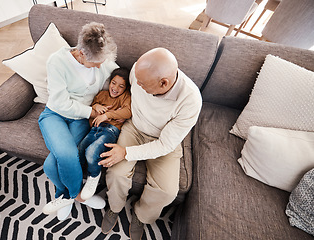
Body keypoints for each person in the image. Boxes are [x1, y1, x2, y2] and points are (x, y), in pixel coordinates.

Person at [99, 48, 202, 239]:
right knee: (116, 172)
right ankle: (114, 207)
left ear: (164, 83)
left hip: (163, 140)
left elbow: (165, 145)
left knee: (167, 191)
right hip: (134, 128)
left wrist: (126, 153)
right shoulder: (138, 72)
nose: (137, 85)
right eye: (137, 79)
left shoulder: (191, 100)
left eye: (143, 84)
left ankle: (141, 216)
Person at [38, 22, 118, 220]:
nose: (101, 66)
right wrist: (91, 111)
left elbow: (121, 75)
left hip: (80, 120)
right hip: (55, 114)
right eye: (96, 63)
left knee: (50, 165)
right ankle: (77, 196)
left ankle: (62, 195)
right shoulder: (56, 62)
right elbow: (60, 102)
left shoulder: (101, 59)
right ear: (81, 53)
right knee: (66, 154)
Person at [78, 67, 131, 201]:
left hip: (110, 130)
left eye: (121, 86)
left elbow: (127, 112)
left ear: (125, 88)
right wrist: (96, 107)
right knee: (79, 151)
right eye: (113, 83)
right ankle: (75, 183)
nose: (115, 88)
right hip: (94, 129)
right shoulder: (102, 94)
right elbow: (93, 104)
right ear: (109, 82)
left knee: (92, 151)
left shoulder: (125, 97)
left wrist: (107, 115)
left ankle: (94, 176)